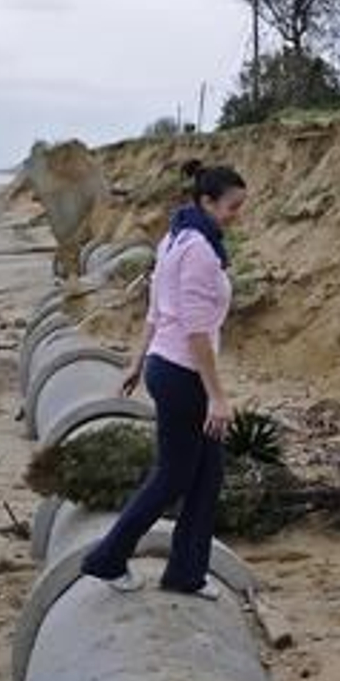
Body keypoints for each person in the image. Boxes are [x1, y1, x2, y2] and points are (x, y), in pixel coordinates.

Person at [79, 161, 246, 598]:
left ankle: (186, 574)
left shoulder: (175, 237)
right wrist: (217, 396)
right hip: (181, 373)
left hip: (166, 365)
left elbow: (156, 308)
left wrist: (137, 362)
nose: (237, 214)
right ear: (206, 202)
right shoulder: (199, 251)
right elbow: (194, 330)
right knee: (172, 476)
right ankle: (108, 558)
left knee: (207, 475)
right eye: (232, 206)